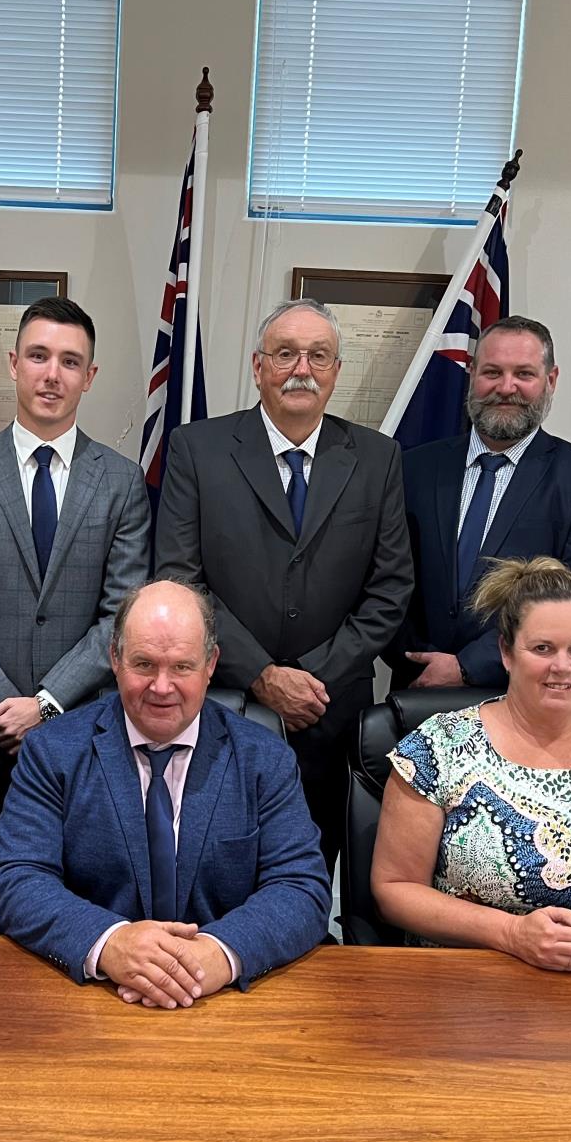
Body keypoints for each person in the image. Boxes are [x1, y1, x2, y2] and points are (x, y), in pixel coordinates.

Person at [155, 297, 413, 869]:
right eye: (286, 354)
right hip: (223, 702)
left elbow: (390, 588)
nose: (302, 368)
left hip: (331, 710)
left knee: (312, 871)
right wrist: (264, 676)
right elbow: (179, 579)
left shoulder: (377, 458)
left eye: (319, 356)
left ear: (336, 371)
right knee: (212, 864)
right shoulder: (197, 449)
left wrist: (310, 678)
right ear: (258, 366)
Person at [0, 580, 330, 1007]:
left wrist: (217, 954)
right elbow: (16, 878)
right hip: (90, 999)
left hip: (225, 1004)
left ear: (211, 664)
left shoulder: (265, 758)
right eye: (144, 664)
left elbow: (301, 888)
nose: (162, 687)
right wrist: (109, 943)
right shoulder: (53, 751)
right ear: (115, 659)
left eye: (182, 667)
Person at [371, 558, 571, 969]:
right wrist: (512, 934)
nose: (561, 667)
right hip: (464, 990)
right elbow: (394, 888)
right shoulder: (439, 747)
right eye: (542, 648)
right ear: (506, 652)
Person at [0, 295, 150, 875]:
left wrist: (46, 706)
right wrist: (7, 708)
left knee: (81, 882)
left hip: (86, 726)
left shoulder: (122, 482)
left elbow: (121, 617)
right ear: (13, 363)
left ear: (89, 377)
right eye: (39, 356)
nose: (53, 375)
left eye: (70, 362)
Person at [391, 315, 571, 690]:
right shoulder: (411, 466)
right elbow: (387, 576)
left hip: (522, 697)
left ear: (550, 380)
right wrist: (417, 659)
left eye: (524, 374)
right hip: (414, 689)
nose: (506, 387)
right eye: (492, 372)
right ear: (472, 374)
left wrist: (467, 666)